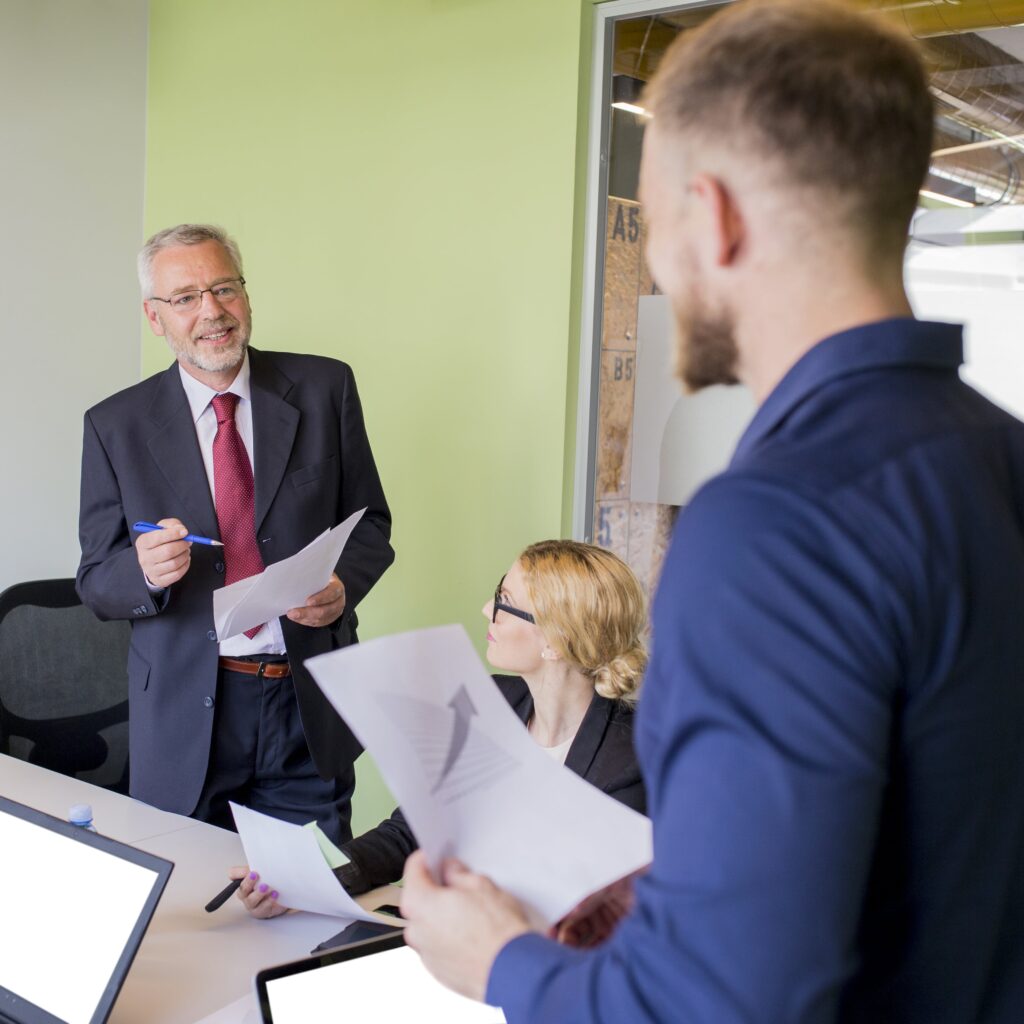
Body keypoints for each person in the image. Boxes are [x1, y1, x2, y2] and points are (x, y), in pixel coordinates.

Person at [398, 3, 1024, 1022]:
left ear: (714, 214)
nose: (656, 262)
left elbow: (722, 1003)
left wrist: (501, 963)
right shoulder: (1000, 457)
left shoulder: (771, 524)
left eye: (653, 223)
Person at [77, 223, 394, 845]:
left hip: (305, 706)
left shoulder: (325, 389)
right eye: (185, 298)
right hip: (186, 715)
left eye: (224, 288)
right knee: (187, 896)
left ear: (245, 295)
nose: (211, 311)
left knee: (311, 895)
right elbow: (95, 580)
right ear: (154, 317)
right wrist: (143, 572)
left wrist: (340, 586)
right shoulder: (115, 425)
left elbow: (370, 525)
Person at [229, 539, 646, 917]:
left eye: (504, 601)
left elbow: (595, 913)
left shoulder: (632, 761)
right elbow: (410, 831)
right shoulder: (492, 700)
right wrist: (309, 881)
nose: (487, 610)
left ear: (555, 641)